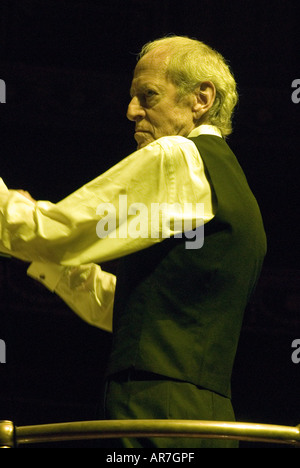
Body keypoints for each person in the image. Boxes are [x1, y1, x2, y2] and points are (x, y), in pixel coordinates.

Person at [0, 36, 266, 448]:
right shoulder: (237, 191)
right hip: (209, 424)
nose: (131, 111)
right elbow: (145, 313)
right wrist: (54, 260)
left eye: (148, 95)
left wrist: (17, 216)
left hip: (153, 414)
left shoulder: (176, 157)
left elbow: (57, 234)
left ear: (201, 98)